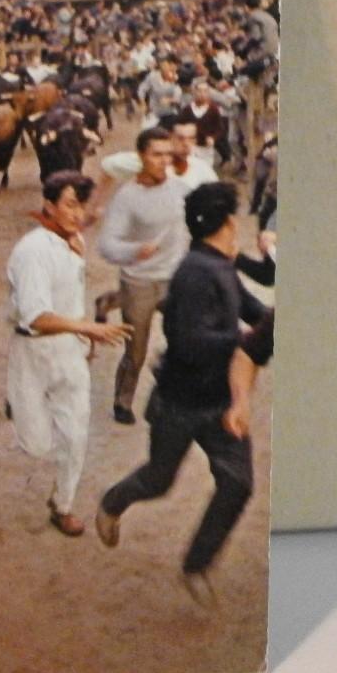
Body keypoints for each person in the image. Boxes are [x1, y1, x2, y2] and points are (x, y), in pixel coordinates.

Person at [95, 183, 270, 602]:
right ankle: (112, 502)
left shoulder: (220, 265)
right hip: (180, 403)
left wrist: (275, 322)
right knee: (159, 479)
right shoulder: (193, 274)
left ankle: (196, 564)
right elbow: (189, 343)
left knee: (237, 484)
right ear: (228, 223)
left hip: (219, 402)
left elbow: (251, 308)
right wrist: (244, 339)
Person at [6, 171, 133, 536]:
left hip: (69, 351)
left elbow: (89, 217)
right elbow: (36, 316)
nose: (79, 215)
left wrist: (81, 339)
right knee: (37, 443)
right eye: (70, 206)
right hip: (32, 350)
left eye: (82, 207)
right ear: (48, 206)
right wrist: (90, 328)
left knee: (76, 435)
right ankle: (19, 403)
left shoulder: (70, 238)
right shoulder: (32, 252)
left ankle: (62, 504)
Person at [96, 126, 197, 425]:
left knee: (184, 339)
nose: (163, 161)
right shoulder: (127, 197)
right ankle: (122, 401)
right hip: (138, 283)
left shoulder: (181, 190)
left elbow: (199, 221)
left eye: (167, 154)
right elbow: (107, 244)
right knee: (136, 350)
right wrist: (135, 250)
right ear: (141, 156)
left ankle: (170, 394)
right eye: (156, 155)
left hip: (174, 279)